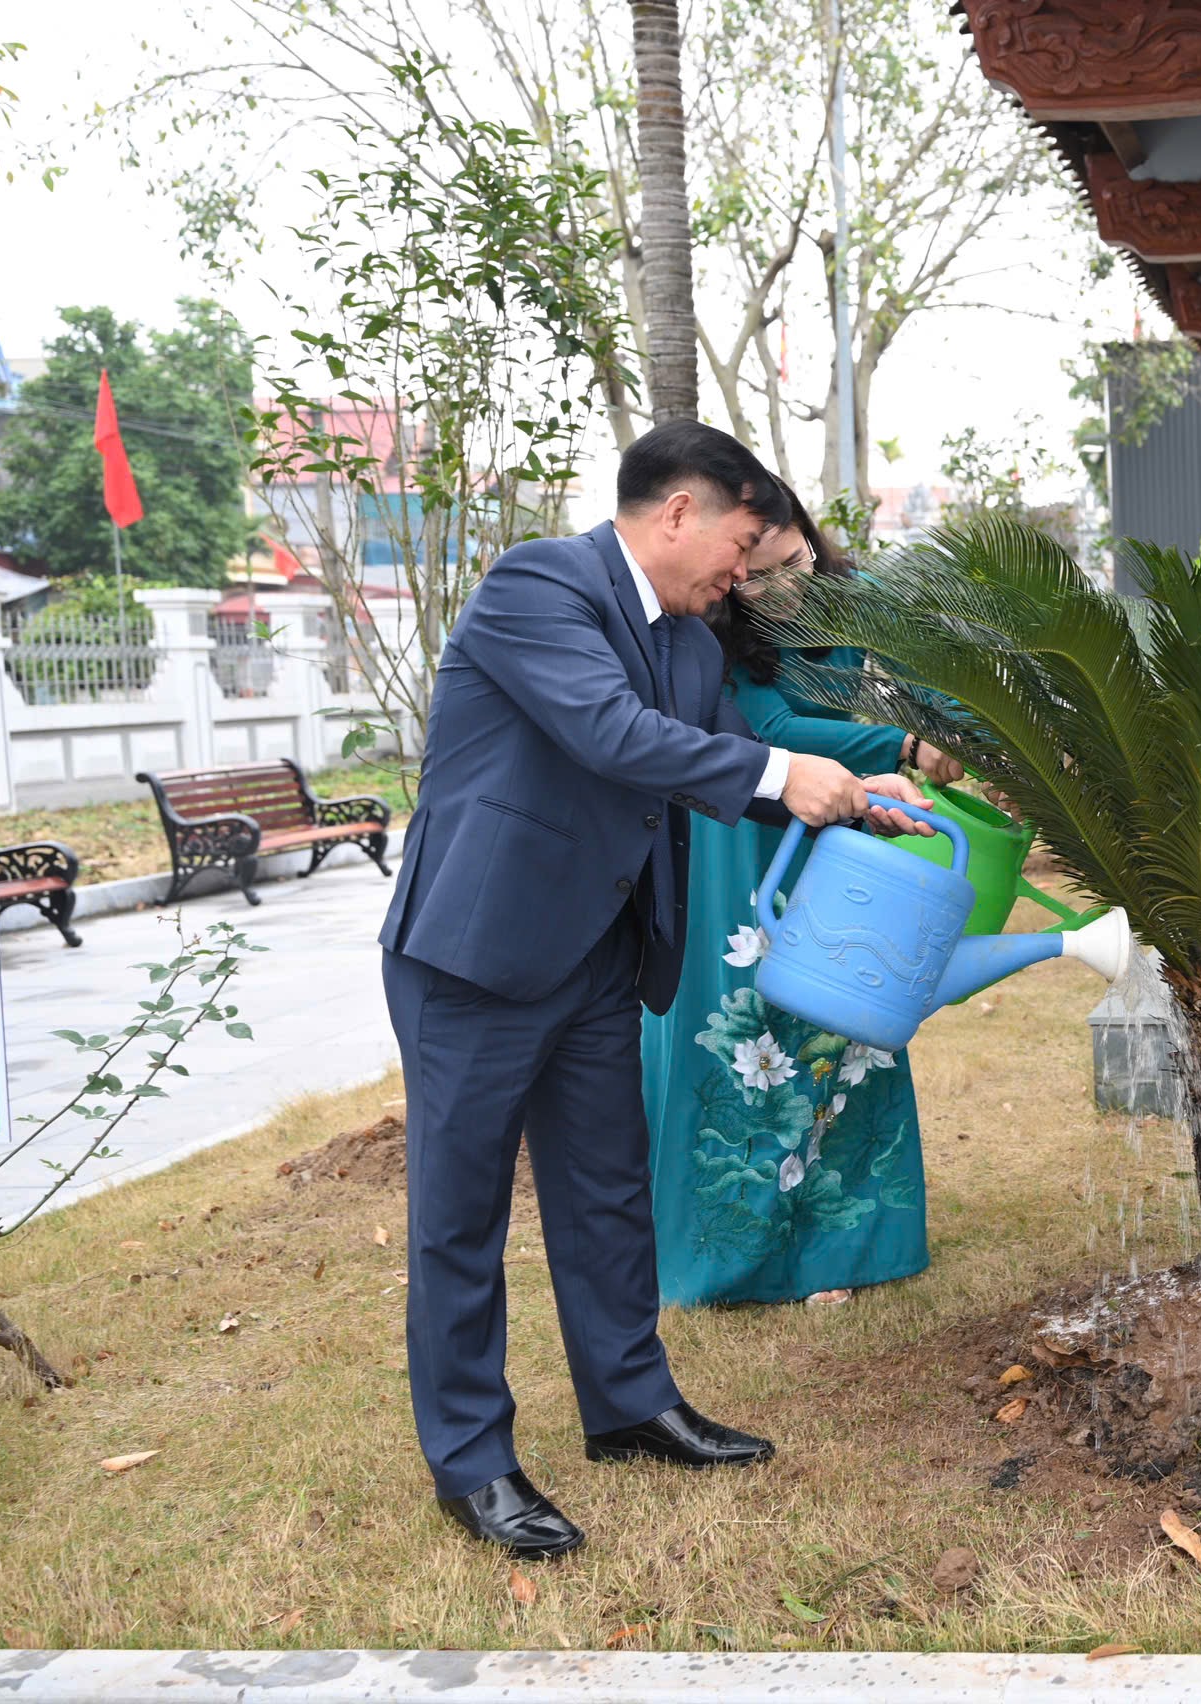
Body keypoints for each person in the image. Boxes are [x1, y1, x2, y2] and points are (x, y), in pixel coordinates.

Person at [378, 421, 933, 1559]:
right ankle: (473, 1463)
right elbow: (611, 732)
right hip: (477, 955)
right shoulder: (539, 586)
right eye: (739, 544)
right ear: (679, 512)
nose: (745, 571)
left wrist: (858, 792)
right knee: (461, 1216)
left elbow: (730, 760)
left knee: (607, 1189)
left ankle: (630, 1403)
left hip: (600, 952)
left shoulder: (688, 642)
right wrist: (787, 770)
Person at [640, 491, 967, 1308]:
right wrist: (902, 744)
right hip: (742, 827)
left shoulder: (859, 598)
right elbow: (769, 728)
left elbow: (938, 676)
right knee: (743, 1018)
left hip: (841, 826)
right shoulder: (711, 622)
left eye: (795, 561)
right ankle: (725, 1251)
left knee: (848, 1015)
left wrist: (964, 729)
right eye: (757, 574)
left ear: (810, 539)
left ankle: (841, 1250)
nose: (782, 586)